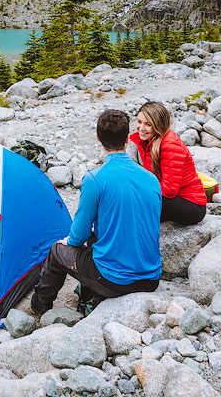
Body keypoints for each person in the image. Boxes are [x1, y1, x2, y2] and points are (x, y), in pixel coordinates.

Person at [30, 109, 161, 316]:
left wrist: (69, 242)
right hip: (151, 278)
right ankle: (90, 297)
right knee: (96, 237)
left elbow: (79, 234)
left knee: (57, 251)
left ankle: (39, 306)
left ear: (98, 138)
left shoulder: (94, 179)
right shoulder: (151, 179)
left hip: (116, 280)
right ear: (128, 139)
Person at [128, 100, 207, 225]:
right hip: (172, 199)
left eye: (148, 124)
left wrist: (140, 187)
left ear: (158, 125)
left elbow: (169, 190)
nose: (141, 128)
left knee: (134, 204)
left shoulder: (170, 145)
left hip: (191, 205)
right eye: (139, 121)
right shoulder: (148, 141)